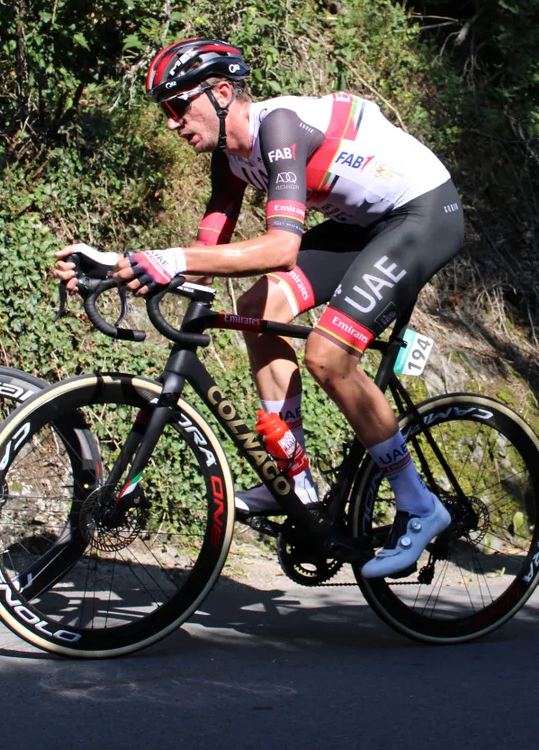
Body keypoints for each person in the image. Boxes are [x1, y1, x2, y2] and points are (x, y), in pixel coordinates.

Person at [54, 38, 465, 577]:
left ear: (222, 93)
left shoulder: (280, 129)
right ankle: (294, 482)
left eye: (179, 107)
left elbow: (281, 248)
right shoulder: (228, 160)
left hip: (422, 214)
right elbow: (200, 259)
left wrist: (168, 259)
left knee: (326, 355)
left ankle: (419, 504)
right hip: (361, 226)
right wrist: (117, 265)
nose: (173, 123)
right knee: (256, 306)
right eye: (165, 113)